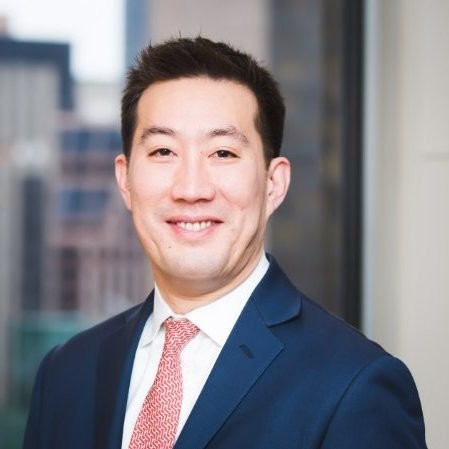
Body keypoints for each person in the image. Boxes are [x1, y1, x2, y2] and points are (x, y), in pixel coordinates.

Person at [23, 37, 427, 449]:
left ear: (273, 183)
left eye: (222, 153)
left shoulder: (355, 386)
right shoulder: (66, 373)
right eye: (163, 151)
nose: (191, 189)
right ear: (125, 180)